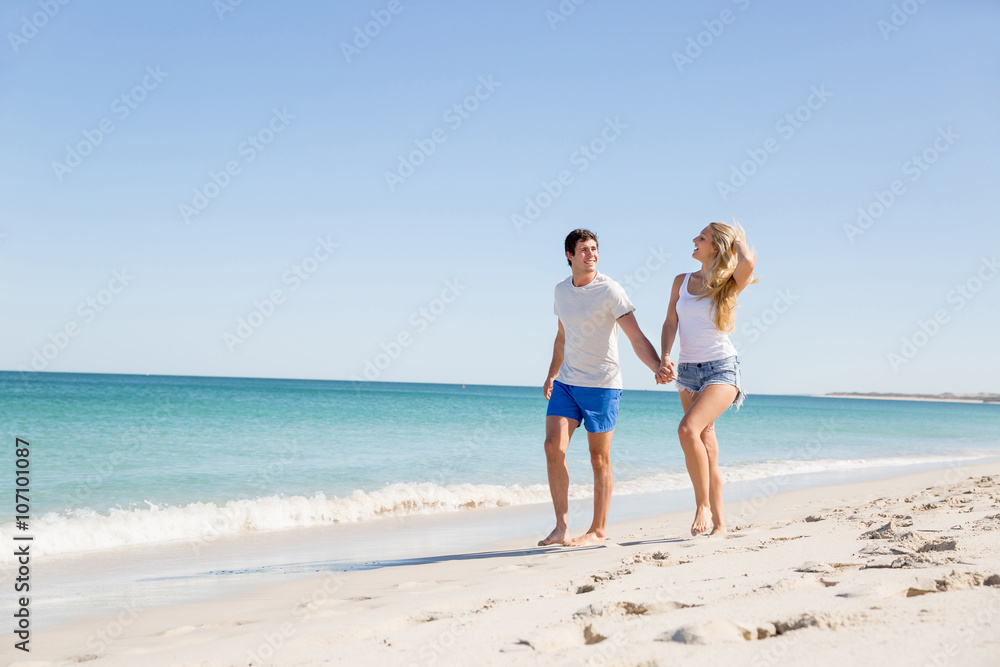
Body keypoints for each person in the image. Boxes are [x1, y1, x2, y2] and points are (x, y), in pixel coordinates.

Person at [539, 229, 664, 547]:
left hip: (602, 385)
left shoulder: (610, 290)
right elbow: (562, 337)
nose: (591, 254)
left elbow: (636, 337)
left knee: (599, 458)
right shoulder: (560, 291)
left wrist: (658, 367)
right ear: (570, 255)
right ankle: (561, 526)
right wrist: (552, 374)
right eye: (584, 249)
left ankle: (598, 528)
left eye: (594, 249)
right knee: (553, 448)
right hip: (567, 382)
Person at [657, 222, 757, 536]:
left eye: (702, 238)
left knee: (687, 429)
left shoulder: (727, 282)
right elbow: (671, 320)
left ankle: (703, 505)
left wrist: (735, 240)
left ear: (715, 246)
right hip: (687, 371)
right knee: (707, 445)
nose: (694, 240)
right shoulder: (681, 281)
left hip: (722, 369)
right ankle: (721, 525)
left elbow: (749, 263)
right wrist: (665, 356)